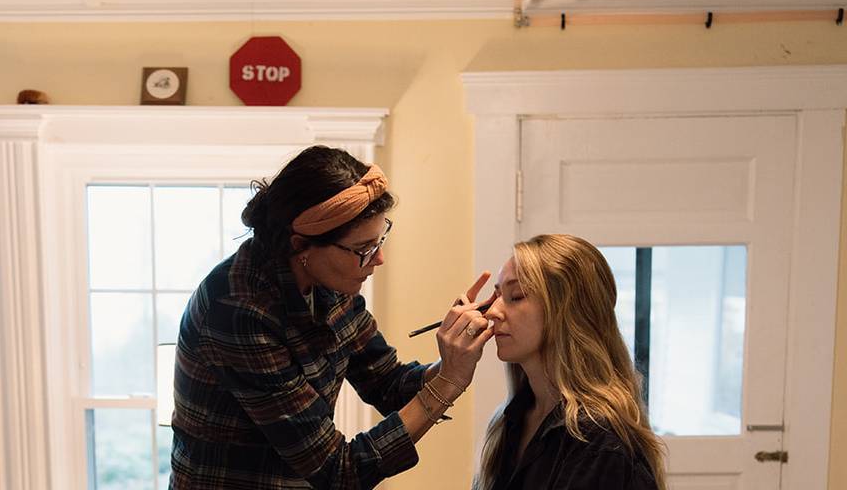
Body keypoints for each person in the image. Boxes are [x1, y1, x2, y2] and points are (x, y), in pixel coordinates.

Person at [170, 145, 494, 489]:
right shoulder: (239, 309)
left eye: (380, 239)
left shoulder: (334, 284)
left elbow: (387, 383)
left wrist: (449, 360)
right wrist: (449, 383)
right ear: (300, 246)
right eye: (362, 249)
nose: (378, 258)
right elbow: (336, 472)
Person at [474, 234, 667, 490]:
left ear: (567, 310)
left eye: (516, 295)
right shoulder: (515, 418)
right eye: (496, 297)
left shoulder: (600, 440)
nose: (492, 312)